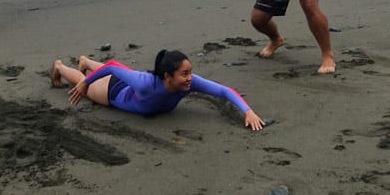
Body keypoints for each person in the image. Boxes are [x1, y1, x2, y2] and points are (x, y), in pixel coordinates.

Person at [50, 49, 265, 131]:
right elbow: (112, 67)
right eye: (184, 73)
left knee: (123, 72)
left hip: (129, 80)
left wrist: (247, 111)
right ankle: (61, 67)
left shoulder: (188, 83)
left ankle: (86, 60)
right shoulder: (146, 83)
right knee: (82, 81)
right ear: (168, 76)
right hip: (113, 92)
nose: (190, 78)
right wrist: (86, 83)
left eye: (190, 72)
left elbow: (224, 91)